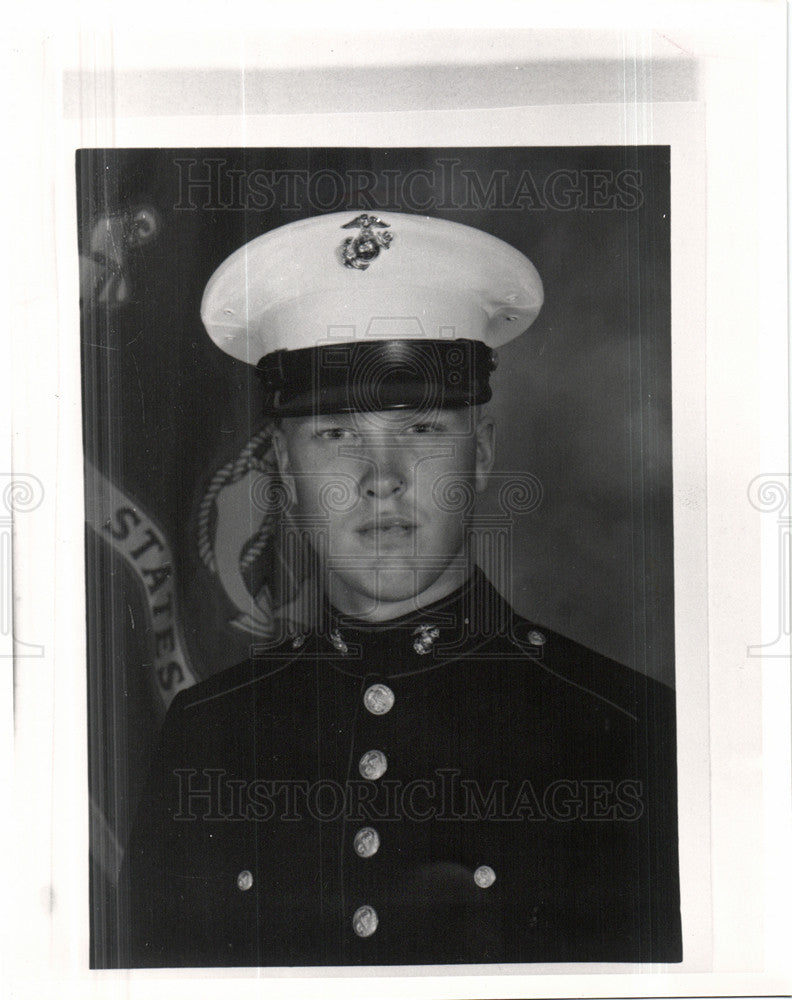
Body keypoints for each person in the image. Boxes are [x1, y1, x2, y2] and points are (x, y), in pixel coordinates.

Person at [121, 211, 681, 967]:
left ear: (480, 455)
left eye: (419, 430)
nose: (380, 480)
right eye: (336, 435)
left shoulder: (629, 735)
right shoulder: (204, 739)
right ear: (284, 474)